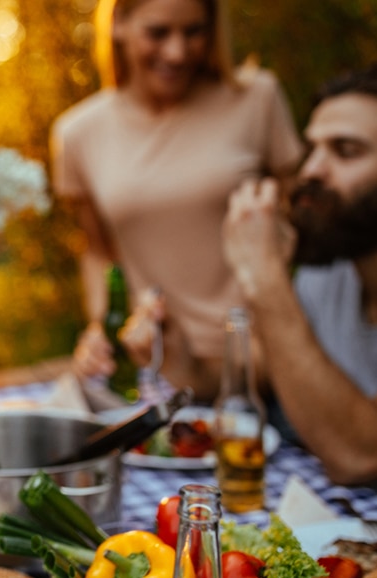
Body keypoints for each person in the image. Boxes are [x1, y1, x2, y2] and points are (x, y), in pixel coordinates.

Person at [223, 64, 377, 524]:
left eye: (345, 151)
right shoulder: (330, 273)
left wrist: (266, 278)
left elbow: (358, 454)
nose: (310, 171)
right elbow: (249, 374)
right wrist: (168, 344)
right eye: (312, 149)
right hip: (367, 543)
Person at [52, 0, 304, 401]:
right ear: (118, 23)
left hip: (258, 365)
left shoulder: (257, 98)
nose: (177, 52)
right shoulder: (78, 132)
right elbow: (98, 250)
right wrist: (105, 326)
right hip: (152, 376)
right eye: (158, 33)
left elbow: (302, 224)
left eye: (194, 32)